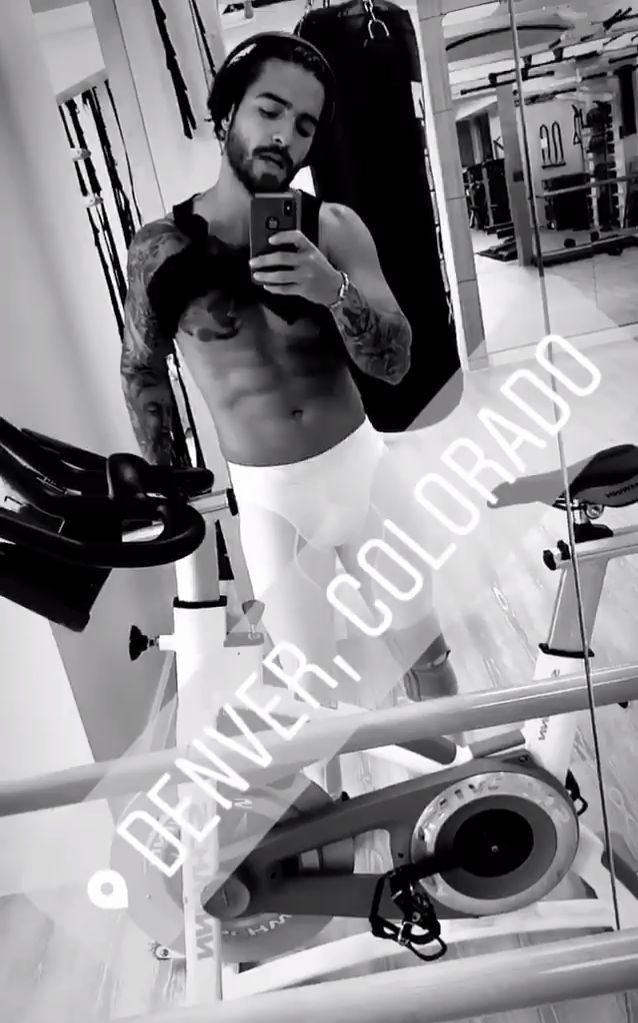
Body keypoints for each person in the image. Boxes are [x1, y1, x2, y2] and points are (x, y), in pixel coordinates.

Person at [120, 31, 458, 708]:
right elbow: (141, 369)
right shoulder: (160, 251)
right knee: (307, 695)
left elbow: (397, 364)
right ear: (227, 114)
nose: (285, 136)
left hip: (363, 473)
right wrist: (171, 485)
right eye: (269, 110)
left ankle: (459, 772)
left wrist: (333, 290)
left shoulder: (333, 229)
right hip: (271, 501)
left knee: (428, 660)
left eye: (304, 125)